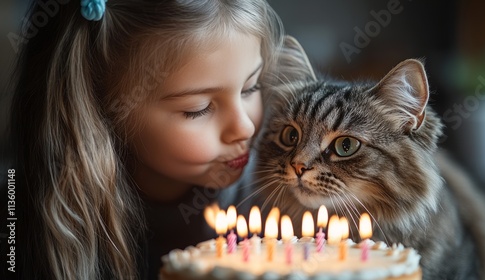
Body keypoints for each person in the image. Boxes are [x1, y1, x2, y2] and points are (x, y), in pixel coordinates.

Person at [2, 0, 285, 279]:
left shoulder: (279, 197)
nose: (246, 128)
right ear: (102, 109)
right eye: (197, 109)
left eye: (251, 87)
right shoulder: (18, 225)